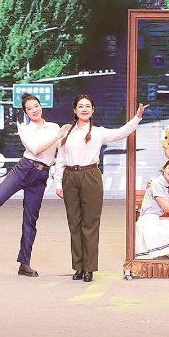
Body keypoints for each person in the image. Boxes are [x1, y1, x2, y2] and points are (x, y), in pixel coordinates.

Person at [0, 93, 68, 277]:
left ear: (41, 106)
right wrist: (58, 135)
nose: (34, 110)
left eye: (36, 106)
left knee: (31, 220)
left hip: (41, 175)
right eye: (29, 109)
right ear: (26, 113)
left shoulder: (54, 127)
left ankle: (24, 264)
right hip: (25, 169)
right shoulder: (25, 130)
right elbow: (37, 150)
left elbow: (61, 152)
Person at [54, 95, 148, 283]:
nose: (84, 109)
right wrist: (58, 183)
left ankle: (89, 268)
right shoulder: (65, 133)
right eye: (80, 106)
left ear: (93, 110)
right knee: (74, 223)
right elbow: (60, 159)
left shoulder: (98, 132)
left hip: (90, 176)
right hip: (70, 176)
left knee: (90, 223)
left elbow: (121, 132)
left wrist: (137, 117)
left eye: (88, 106)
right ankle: (78, 266)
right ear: (74, 110)